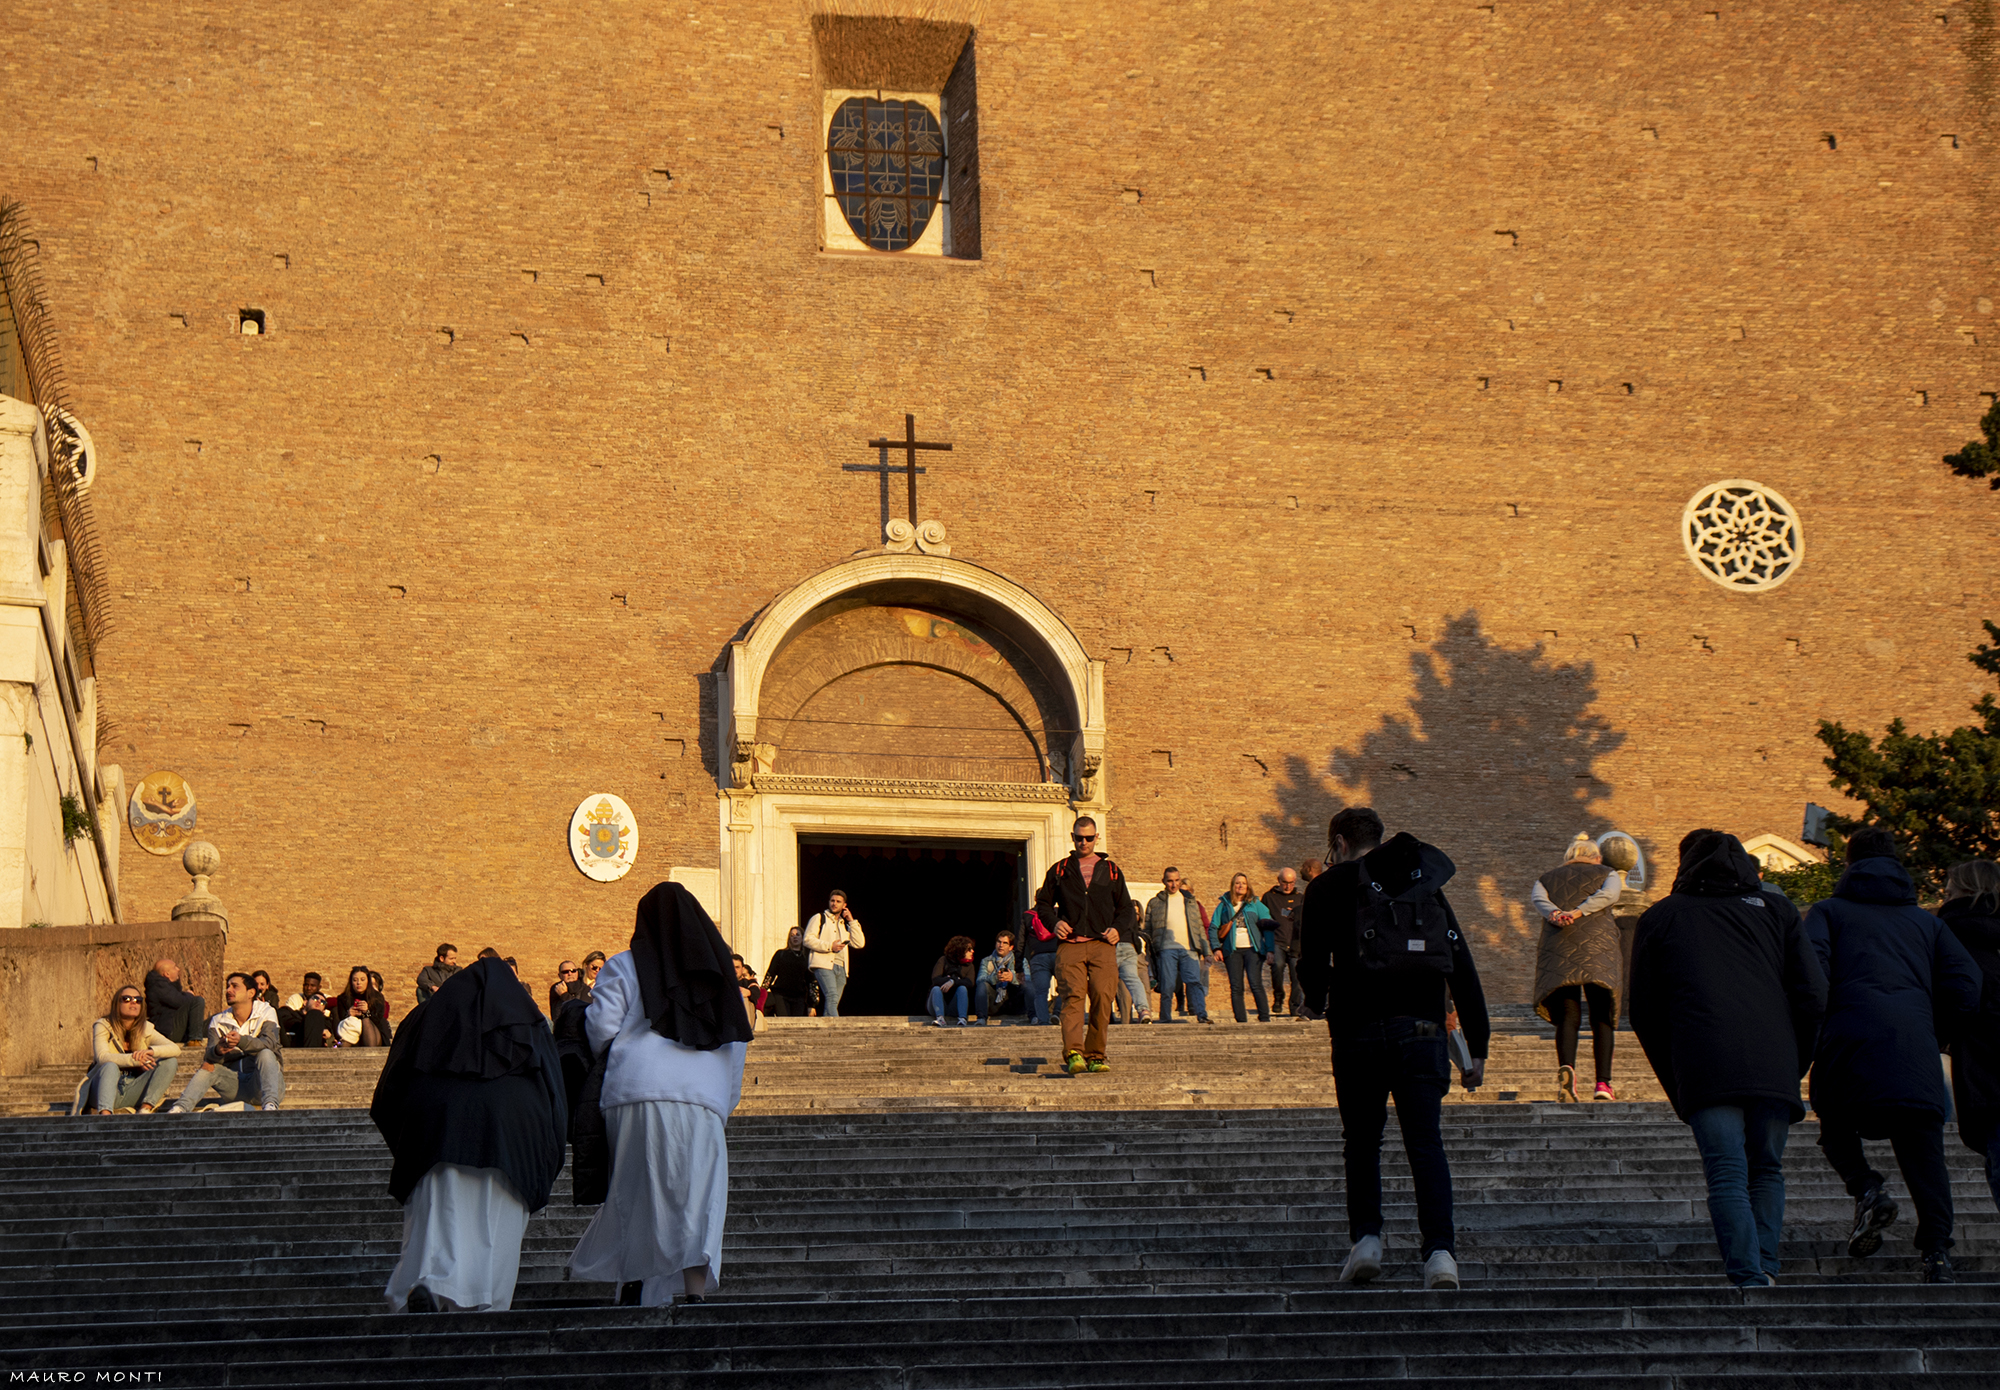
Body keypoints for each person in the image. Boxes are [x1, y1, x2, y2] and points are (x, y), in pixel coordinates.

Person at [1298, 807, 1490, 1291]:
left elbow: (1313, 965)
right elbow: (1460, 963)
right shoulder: (1421, 880)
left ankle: (1367, 1240)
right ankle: (1440, 1255)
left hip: (1357, 1029)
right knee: (1425, 1142)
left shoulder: (1326, 887)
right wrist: (1479, 1044)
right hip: (1423, 1027)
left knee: (1362, 1141)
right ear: (1379, 839)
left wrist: (1317, 1001)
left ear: (1339, 843)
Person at [1629, 829, 1827, 1288]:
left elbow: (1644, 1010)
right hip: (1774, 1060)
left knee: (1726, 1172)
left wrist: (1676, 1074)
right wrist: (1796, 1059)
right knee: (1766, 1168)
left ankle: (1746, 1273)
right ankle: (1766, 1264)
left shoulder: (1662, 917)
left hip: (1704, 1061)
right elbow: (1813, 994)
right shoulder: (1777, 911)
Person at [1805, 826, 1982, 1284]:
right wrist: (1934, 1030)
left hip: (1848, 1041)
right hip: (1913, 1046)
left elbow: (1812, 971)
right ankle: (1937, 1253)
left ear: (1849, 864)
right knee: (1925, 1157)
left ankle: (1866, 1188)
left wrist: (1822, 1023)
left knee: (1836, 1129)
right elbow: (1966, 984)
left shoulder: (1827, 912)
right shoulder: (1928, 922)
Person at [568, 882, 753, 1307]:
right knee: (699, 1197)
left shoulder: (626, 964)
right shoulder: (724, 978)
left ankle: (634, 1282)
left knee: (637, 1189)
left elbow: (601, 1028)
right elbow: (736, 1045)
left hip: (635, 1089)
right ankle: (693, 1293)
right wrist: (722, 1104)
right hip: (703, 1099)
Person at [371, 956, 568, 1313]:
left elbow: (388, 1090)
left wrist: (407, 1141)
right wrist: (548, 1159)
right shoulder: (530, 1023)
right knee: (497, 1230)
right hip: (515, 1140)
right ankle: (484, 1311)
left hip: (436, 1133)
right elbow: (555, 1094)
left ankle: (430, 1283)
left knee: (438, 1218)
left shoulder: (425, 1018)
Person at [1034, 815, 1137, 1075]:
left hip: (1102, 943)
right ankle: (1074, 1053)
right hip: (1071, 944)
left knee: (1103, 996)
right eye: (1079, 838)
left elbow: (1126, 908)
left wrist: (1118, 929)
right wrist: (1054, 923)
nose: (1084, 842)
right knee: (1073, 996)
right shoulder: (1060, 869)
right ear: (1072, 837)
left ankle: (1096, 1055)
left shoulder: (1111, 869)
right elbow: (1043, 904)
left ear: (1096, 838)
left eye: (1089, 838)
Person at [1531, 832, 1627, 1102]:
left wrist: (1556, 914)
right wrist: (1579, 911)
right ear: (1596, 857)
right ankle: (1603, 1084)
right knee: (1601, 1016)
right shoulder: (1607, 872)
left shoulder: (1546, 878)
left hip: (1559, 948)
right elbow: (1609, 895)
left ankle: (1568, 1071)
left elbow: (1539, 901)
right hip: (1599, 950)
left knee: (1567, 1016)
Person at [1940, 860, 2000, 1217]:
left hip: (1985, 1070)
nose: (1944, 895)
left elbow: (1963, 1001)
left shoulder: (1949, 934)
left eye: (1949, 890)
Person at [167, 972, 287, 1113]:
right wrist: (218, 1050)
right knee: (208, 1066)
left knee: (266, 1054)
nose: (228, 990)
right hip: (236, 1086)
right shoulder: (218, 1020)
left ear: (251, 993)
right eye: (227, 986)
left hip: (264, 1083)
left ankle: (270, 1107)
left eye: (235, 986)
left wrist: (241, 1041)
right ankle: (180, 1108)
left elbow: (270, 1043)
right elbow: (209, 1056)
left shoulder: (266, 1011)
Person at [81, 984, 182, 1114]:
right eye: (127, 999)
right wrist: (136, 1060)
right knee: (110, 1066)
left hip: (132, 1090)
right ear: (117, 1003)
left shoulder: (146, 1028)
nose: (133, 1003)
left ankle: (145, 1108)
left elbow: (175, 1048)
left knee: (170, 1061)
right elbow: (101, 1057)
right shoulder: (103, 1025)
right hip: (103, 1090)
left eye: (138, 1000)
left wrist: (150, 1051)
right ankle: (105, 1115)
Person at [1142, 867, 1213, 1024]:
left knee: (1194, 982)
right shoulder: (1155, 903)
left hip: (1189, 948)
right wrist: (1149, 952)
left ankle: (1202, 1014)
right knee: (1167, 985)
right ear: (1164, 882)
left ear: (1180, 881)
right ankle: (1165, 1017)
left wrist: (1207, 951)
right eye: (1170, 881)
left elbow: (1199, 927)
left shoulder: (1190, 901)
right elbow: (1147, 929)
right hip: (1166, 949)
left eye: (1176, 880)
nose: (1174, 884)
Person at [1212, 872, 1275, 1023]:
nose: (1240, 886)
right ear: (1233, 886)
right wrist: (1216, 948)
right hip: (1232, 951)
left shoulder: (1255, 904)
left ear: (1248, 886)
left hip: (1253, 949)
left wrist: (1270, 949)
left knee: (1255, 983)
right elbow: (1213, 927)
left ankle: (1264, 1018)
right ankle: (1241, 1021)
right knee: (1236, 986)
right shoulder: (1224, 905)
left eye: (1243, 883)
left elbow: (1268, 926)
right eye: (1237, 883)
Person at [802, 890, 865, 1019]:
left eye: (838, 901)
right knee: (832, 996)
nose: (834, 904)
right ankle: (838, 1028)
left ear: (844, 905)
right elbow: (807, 939)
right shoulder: (819, 918)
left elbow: (859, 943)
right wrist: (830, 946)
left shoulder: (843, 924)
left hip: (841, 967)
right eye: (832, 901)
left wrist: (851, 921)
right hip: (824, 964)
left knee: (833, 1002)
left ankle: (826, 1031)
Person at [1262, 867, 1307, 1019]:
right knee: (1277, 966)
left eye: (1291, 883)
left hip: (1295, 943)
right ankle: (1278, 995)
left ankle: (1295, 1007)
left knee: (1297, 975)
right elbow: (1264, 920)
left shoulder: (1300, 898)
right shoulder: (1269, 897)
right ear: (1278, 880)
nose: (1288, 886)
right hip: (1277, 940)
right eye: (1285, 882)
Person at [144, 957, 207, 1045]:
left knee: (215, 1020)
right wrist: (189, 995)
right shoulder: (158, 986)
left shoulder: (166, 986)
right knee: (197, 1000)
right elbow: (179, 1001)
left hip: (175, 1028)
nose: (178, 969)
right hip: (168, 1030)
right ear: (167, 974)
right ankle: (194, 1040)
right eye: (174, 967)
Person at [974, 930, 1029, 1022]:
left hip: (1014, 1000)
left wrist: (1013, 978)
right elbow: (979, 980)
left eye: (1005, 943)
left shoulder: (1020, 960)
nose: (1001, 945)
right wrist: (995, 978)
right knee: (983, 985)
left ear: (1011, 947)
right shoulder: (987, 961)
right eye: (999, 942)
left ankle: (1033, 1016)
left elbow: (1029, 979)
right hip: (995, 1001)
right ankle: (981, 1019)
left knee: (1028, 986)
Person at [762, 927, 817, 1017]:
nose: (795, 937)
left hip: (799, 996)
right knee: (784, 1020)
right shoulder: (780, 954)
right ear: (789, 939)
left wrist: (812, 1005)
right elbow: (770, 974)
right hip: (781, 995)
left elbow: (811, 981)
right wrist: (762, 991)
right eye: (792, 935)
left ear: (803, 937)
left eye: (798, 935)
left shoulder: (807, 957)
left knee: (798, 1023)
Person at [1022, 907, 1061, 1024]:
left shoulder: (1028, 915)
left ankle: (1043, 1022)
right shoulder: (1060, 912)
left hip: (1038, 956)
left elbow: (1020, 941)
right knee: (1067, 987)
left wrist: (1019, 966)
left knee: (1040, 992)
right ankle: (1057, 1013)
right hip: (1058, 954)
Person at [336, 966, 393, 1046]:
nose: (358, 983)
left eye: (362, 980)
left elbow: (379, 1020)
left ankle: (369, 1053)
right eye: (355, 980)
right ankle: (342, 1056)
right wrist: (349, 1014)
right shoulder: (343, 998)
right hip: (352, 1033)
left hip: (374, 1033)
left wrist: (367, 1012)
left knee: (365, 1020)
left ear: (368, 981)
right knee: (348, 1032)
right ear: (351, 982)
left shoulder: (377, 997)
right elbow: (340, 1021)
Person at [928, 936, 976, 1026]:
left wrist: (953, 982)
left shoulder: (969, 966)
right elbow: (935, 979)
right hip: (937, 1004)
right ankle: (940, 1018)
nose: (972, 951)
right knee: (936, 989)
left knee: (962, 988)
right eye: (969, 949)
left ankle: (962, 1018)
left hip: (954, 1006)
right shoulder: (943, 960)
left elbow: (970, 983)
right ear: (960, 950)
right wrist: (950, 980)